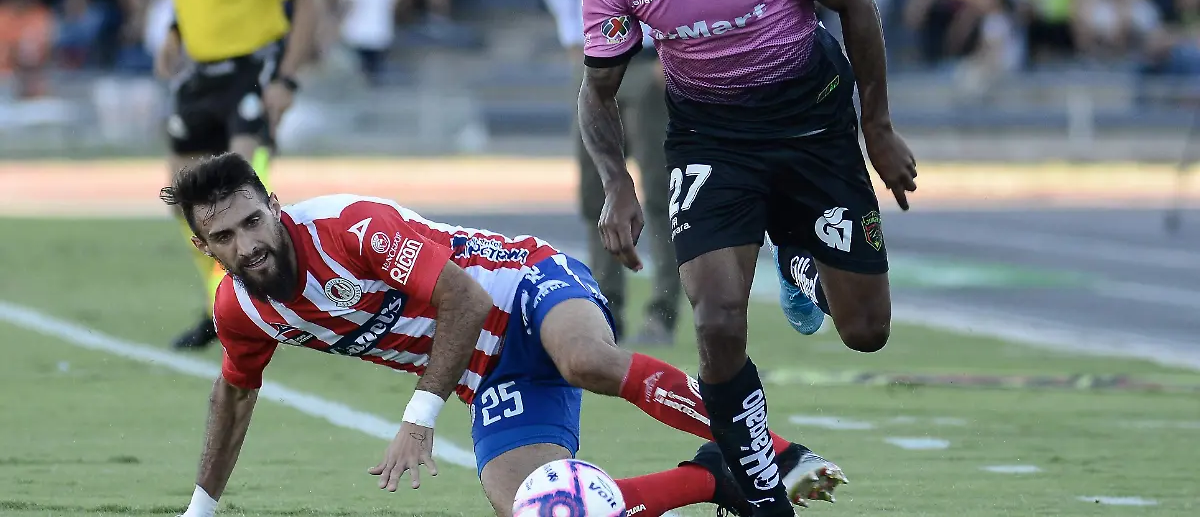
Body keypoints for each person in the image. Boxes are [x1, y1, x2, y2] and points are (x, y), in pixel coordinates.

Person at [161, 153, 843, 517]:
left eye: (252, 221)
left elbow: (464, 298)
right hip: (488, 374)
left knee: (586, 360)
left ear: (273, 206)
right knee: (534, 509)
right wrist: (200, 511)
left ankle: (776, 454)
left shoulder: (350, 228)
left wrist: (419, 418)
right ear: (203, 245)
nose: (246, 245)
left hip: (526, 284)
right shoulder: (239, 311)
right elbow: (234, 396)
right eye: (224, 236)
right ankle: (712, 478)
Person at [578, 0, 917, 513]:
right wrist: (617, 182)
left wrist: (876, 128)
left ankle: (799, 263)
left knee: (866, 331)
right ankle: (760, 488)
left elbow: (855, 3)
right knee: (717, 319)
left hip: (812, 125)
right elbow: (597, 90)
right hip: (712, 139)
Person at [154, 0, 323, 350]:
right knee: (184, 199)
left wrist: (286, 79)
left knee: (243, 198)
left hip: (252, 71)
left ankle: (283, 302)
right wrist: (175, 32)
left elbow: (307, 2)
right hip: (201, 76)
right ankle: (222, 305)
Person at [543, 0, 681, 345]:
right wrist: (571, 37)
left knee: (660, 191)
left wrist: (671, 50)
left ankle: (663, 309)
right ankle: (607, 307)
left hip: (646, 64)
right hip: (594, 65)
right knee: (597, 188)